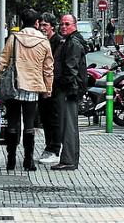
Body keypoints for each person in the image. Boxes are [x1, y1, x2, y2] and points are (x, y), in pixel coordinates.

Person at [0, 8, 53, 171]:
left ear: (21, 22)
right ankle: (28, 160)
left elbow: (2, 62)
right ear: (36, 23)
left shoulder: (13, 39)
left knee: (12, 122)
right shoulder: (43, 41)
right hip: (33, 87)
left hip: (14, 86)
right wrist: (48, 88)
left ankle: (11, 159)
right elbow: (48, 68)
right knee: (29, 124)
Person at [51, 14, 87, 171]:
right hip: (69, 89)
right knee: (68, 125)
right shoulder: (70, 41)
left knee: (68, 126)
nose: (63, 27)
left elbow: (70, 69)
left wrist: (63, 86)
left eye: (67, 24)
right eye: (62, 24)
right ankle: (68, 158)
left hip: (69, 90)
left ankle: (68, 160)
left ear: (74, 25)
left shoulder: (73, 43)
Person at [37, 12, 63, 165]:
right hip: (42, 85)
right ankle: (49, 147)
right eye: (41, 25)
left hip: (54, 87)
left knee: (54, 119)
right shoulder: (42, 41)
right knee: (45, 119)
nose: (42, 28)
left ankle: (55, 149)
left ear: (52, 26)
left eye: (45, 25)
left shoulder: (58, 42)